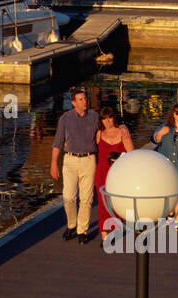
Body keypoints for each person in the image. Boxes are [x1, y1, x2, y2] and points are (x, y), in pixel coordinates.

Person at [51, 87, 100, 244]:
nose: (84, 101)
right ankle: (72, 224)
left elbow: (103, 133)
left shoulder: (94, 116)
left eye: (85, 98)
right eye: (80, 99)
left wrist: (123, 128)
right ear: (73, 103)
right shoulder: (65, 118)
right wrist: (54, 164)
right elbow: (58, 142)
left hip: (89, 159)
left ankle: (82, 230)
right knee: (68, 196)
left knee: (86, 198)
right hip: (70, 160)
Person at [94, 107, 134, 236]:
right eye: (104, 118)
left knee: (116, 202)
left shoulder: (123, 132)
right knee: (102, 202)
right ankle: (104, 233)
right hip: (102, 172)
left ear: (114, 118)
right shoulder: (99, 133)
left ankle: (115, 229)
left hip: (118, 174)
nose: (107, 121)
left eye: (110, 117)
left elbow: (131, 154)